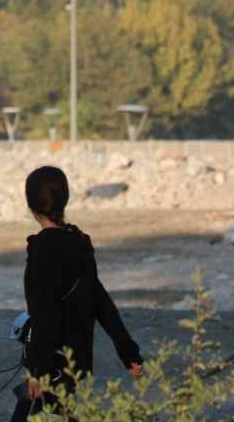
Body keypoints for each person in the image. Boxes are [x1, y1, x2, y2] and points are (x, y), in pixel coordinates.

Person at [12, 165, 144, 422]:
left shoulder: (43, 250)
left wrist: (37, 372)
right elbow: (102, 303)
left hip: (53, 365)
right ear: (66, 199)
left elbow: (46, 313)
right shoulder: (79, 243)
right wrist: (129, 353)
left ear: (31, 205)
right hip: (77, 362)